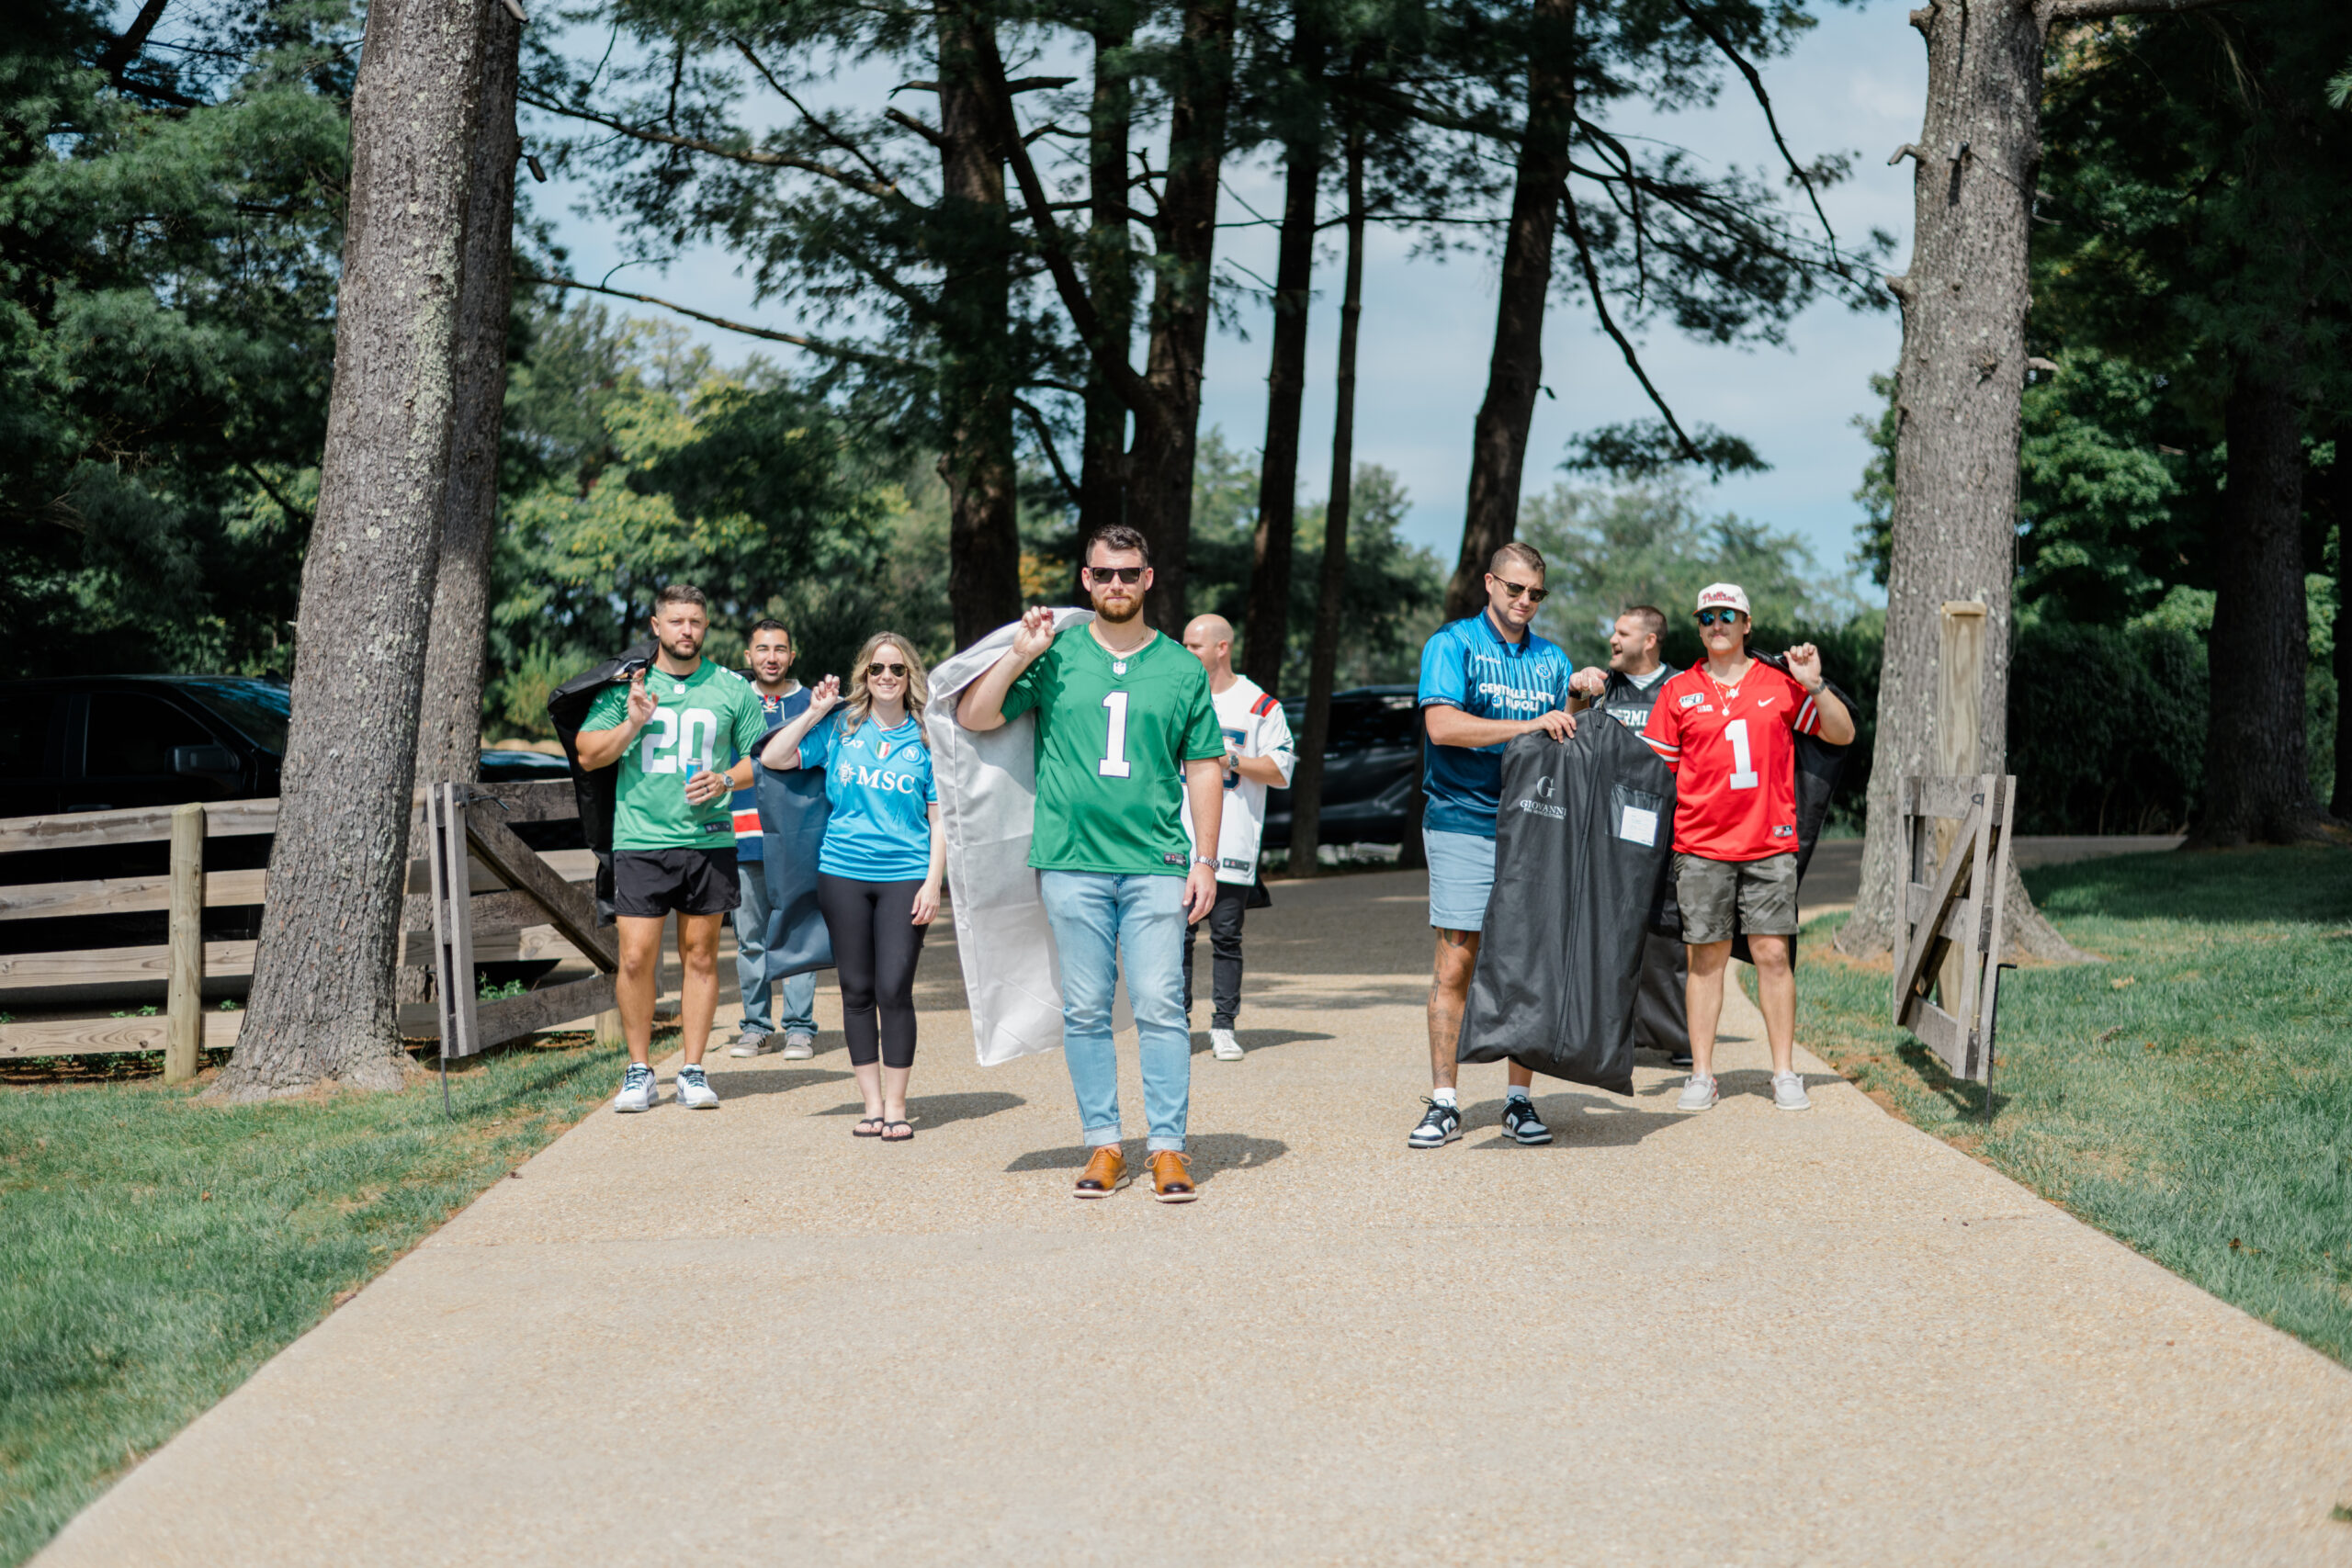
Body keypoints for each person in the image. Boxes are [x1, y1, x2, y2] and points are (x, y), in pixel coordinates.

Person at [956, 525, 1226, 1202]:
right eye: (1103, 574)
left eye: (1128, 574)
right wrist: (1020, 655)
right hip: (1072, 859)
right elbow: (976, 713)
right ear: (1085, 579)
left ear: (1149, 579)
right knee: (1085, 1007)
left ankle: (1167, 1146)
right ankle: (1104, 1142)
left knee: (1163, 1004)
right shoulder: (1057, 653)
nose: (1115, 585)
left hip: (1156, 859)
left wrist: (1206, 859)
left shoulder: (1182, 667)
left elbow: (1203, 768)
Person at [1639, 583, 1855, 1112]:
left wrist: (1815, 683)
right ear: (1699, 625)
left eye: (1728, 616)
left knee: (1773, 955)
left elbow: (1842, 734)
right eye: (1708, 616)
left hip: (1768, 844)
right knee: (1705, 958)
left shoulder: (1777, 684)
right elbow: (1651, 773)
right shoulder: (1678, 690)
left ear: (1746, 624)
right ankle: (1703, 1074)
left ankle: (1783, 1072)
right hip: (1701, 845)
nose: (1718, 624)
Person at [574, 584, 769, 1113]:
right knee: (636, 958)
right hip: (640, 840)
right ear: (656, 627)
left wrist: (726, 781)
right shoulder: (627, 686)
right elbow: (588, 754)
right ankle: (639, 1072)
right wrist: (634, 722)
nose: (688, 630)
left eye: (697, 622)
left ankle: (692, 1069)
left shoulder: (732, 689)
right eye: (677, 621)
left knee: (701, 956)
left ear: (706, 628)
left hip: (708, 840)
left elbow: (765, 758)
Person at [1408, 542, 1577, 1149]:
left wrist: (1577, 701)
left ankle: (1518, 1099)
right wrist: (1528, 724)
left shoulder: (1552, 658)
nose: (1524, 601)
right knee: (1456, 961)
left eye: (1536, 593)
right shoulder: (1452, 645)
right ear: (1489, 584)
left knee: (1526, 966)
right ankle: (1445, 1101)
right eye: (1514, 589)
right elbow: (1442, 726)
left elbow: (1565, 737)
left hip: (1533, 826)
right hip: (1463, 820)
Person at [759, 633, 944, 1141]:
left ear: (911, 677)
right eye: (877, 669)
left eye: (897, 669)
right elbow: (774, 757)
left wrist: (934, 882)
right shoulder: (842, 727)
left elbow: (940, 818)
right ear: (864, 675)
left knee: (893, 989)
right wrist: (814, 713)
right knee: (857, 991)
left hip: (905, 876)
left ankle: (899, 1106)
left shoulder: (928, 737)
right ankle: (872, 1105)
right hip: (841, 872)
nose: (886, 677)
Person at [1567, 605, 1693, 1069]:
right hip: (1610, 834)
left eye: (1623, 633)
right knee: (1608, 930)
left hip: (1671, 830)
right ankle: (1611, 1033)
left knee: (1667, 932)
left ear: (1650, 640)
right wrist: (1577, 694)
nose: (1612, 640)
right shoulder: (1603, 687)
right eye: (1613, 631)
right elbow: (1574, 740)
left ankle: (1676, 1034)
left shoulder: (1682, 687)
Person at [1177, 614, 1296, 1062]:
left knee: (1227, 937)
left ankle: (1223, 1026)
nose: (1186, 654)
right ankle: (1178, 1025)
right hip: (1180, 840)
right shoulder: (1177, 697)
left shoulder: (1260, 705)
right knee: (1178, 937)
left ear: (1221, 648)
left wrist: (1229, 759)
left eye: (1194, 646)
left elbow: (1282, 770)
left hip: (1233, 842)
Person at [727, 618, 821, 1060]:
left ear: (792, 655)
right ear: (748, 657)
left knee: (799, 929)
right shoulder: (732, 702)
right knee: (751, 937)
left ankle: (800, 1026)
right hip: (745, 836)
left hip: (798, 839)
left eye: (780, 649)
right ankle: (756, 1026)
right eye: (762, 649)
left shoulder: (812, 703)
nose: (771, 657)